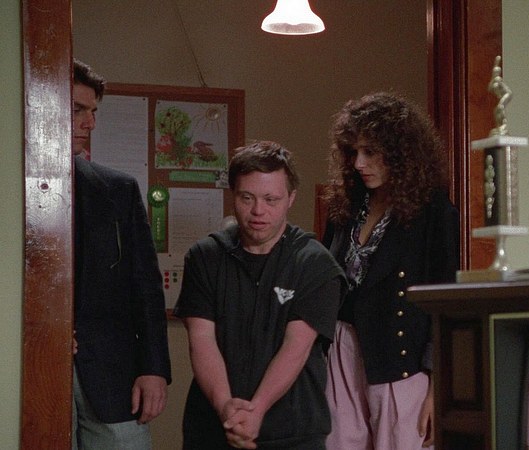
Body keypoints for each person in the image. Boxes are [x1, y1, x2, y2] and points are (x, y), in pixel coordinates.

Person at [174, 141, 346, 449]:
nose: (258, 211)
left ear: (291, 198)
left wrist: (257, 410)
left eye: (271, 199)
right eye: (247, 197)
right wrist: (226, 407)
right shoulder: (204, 257)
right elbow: (201, 340)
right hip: (211, 429)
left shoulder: (315, 264)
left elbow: (296, 347)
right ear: (233, 195)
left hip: (293, 434)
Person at [321, 92, 460, 449]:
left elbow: (446, 304)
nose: (359, 163)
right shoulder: (346, 206)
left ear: (401, 152)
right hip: (342, 350)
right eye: (354, 152)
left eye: (370, 152)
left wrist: (438, 385)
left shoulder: (434, 212)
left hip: (401, 359)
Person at [71, 59, 171, 449]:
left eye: (93, 112)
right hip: (34, 365)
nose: (90, 123)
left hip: (113, 373)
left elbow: (146, 288)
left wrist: (154, 368)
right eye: (77, 110)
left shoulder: (117, 190)